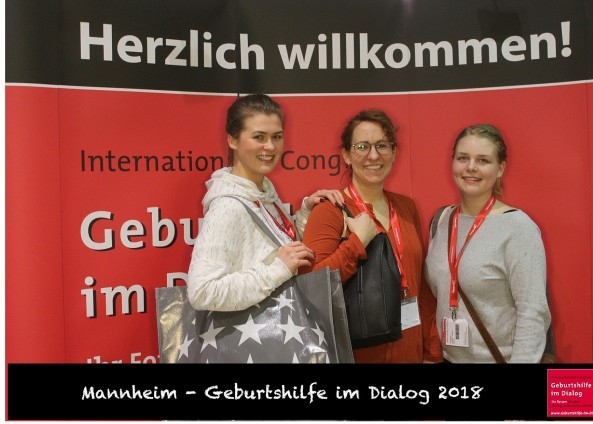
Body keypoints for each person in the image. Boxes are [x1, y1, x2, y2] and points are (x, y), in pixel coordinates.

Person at [299, 108, 443, 363]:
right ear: (346, 155)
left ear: (394, 153)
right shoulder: (330, 210)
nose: (373, 155)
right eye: (362, 147)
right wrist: (356, 244)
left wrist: (431, 351)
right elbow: (312, 286)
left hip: (409, 349)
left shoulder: (406, 207)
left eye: (382, 146)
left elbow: (420, 284)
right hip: (359, 353)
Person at [186, 94, 344, 312]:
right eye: (259, 137)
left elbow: (275, 248)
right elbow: (202, 292)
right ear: (233, 140)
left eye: (276, 137)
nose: (270, 146)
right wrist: (277, 269)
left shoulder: (263, 193)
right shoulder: (228, 207)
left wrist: (308, 211)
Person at [424, 123, 551, 363]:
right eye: (463, 158)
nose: (471, 167)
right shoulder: (441, 220)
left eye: (483, 160)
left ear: (500, 168)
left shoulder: (518, 228)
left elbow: (532, 314)